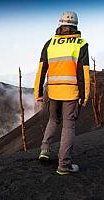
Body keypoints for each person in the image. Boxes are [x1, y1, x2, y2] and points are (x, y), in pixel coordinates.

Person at [34, 11, 90, 175]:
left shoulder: (50, 43)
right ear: (76, 25)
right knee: (68, 126)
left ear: (60, 24)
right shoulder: (80, 44)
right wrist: (84, 96)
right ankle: (64, 165)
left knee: (53, 119)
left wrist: (38, 92)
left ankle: (44, 150)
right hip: (70, 92)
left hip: (52, 91)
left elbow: (41, 70)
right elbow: (84, 72)